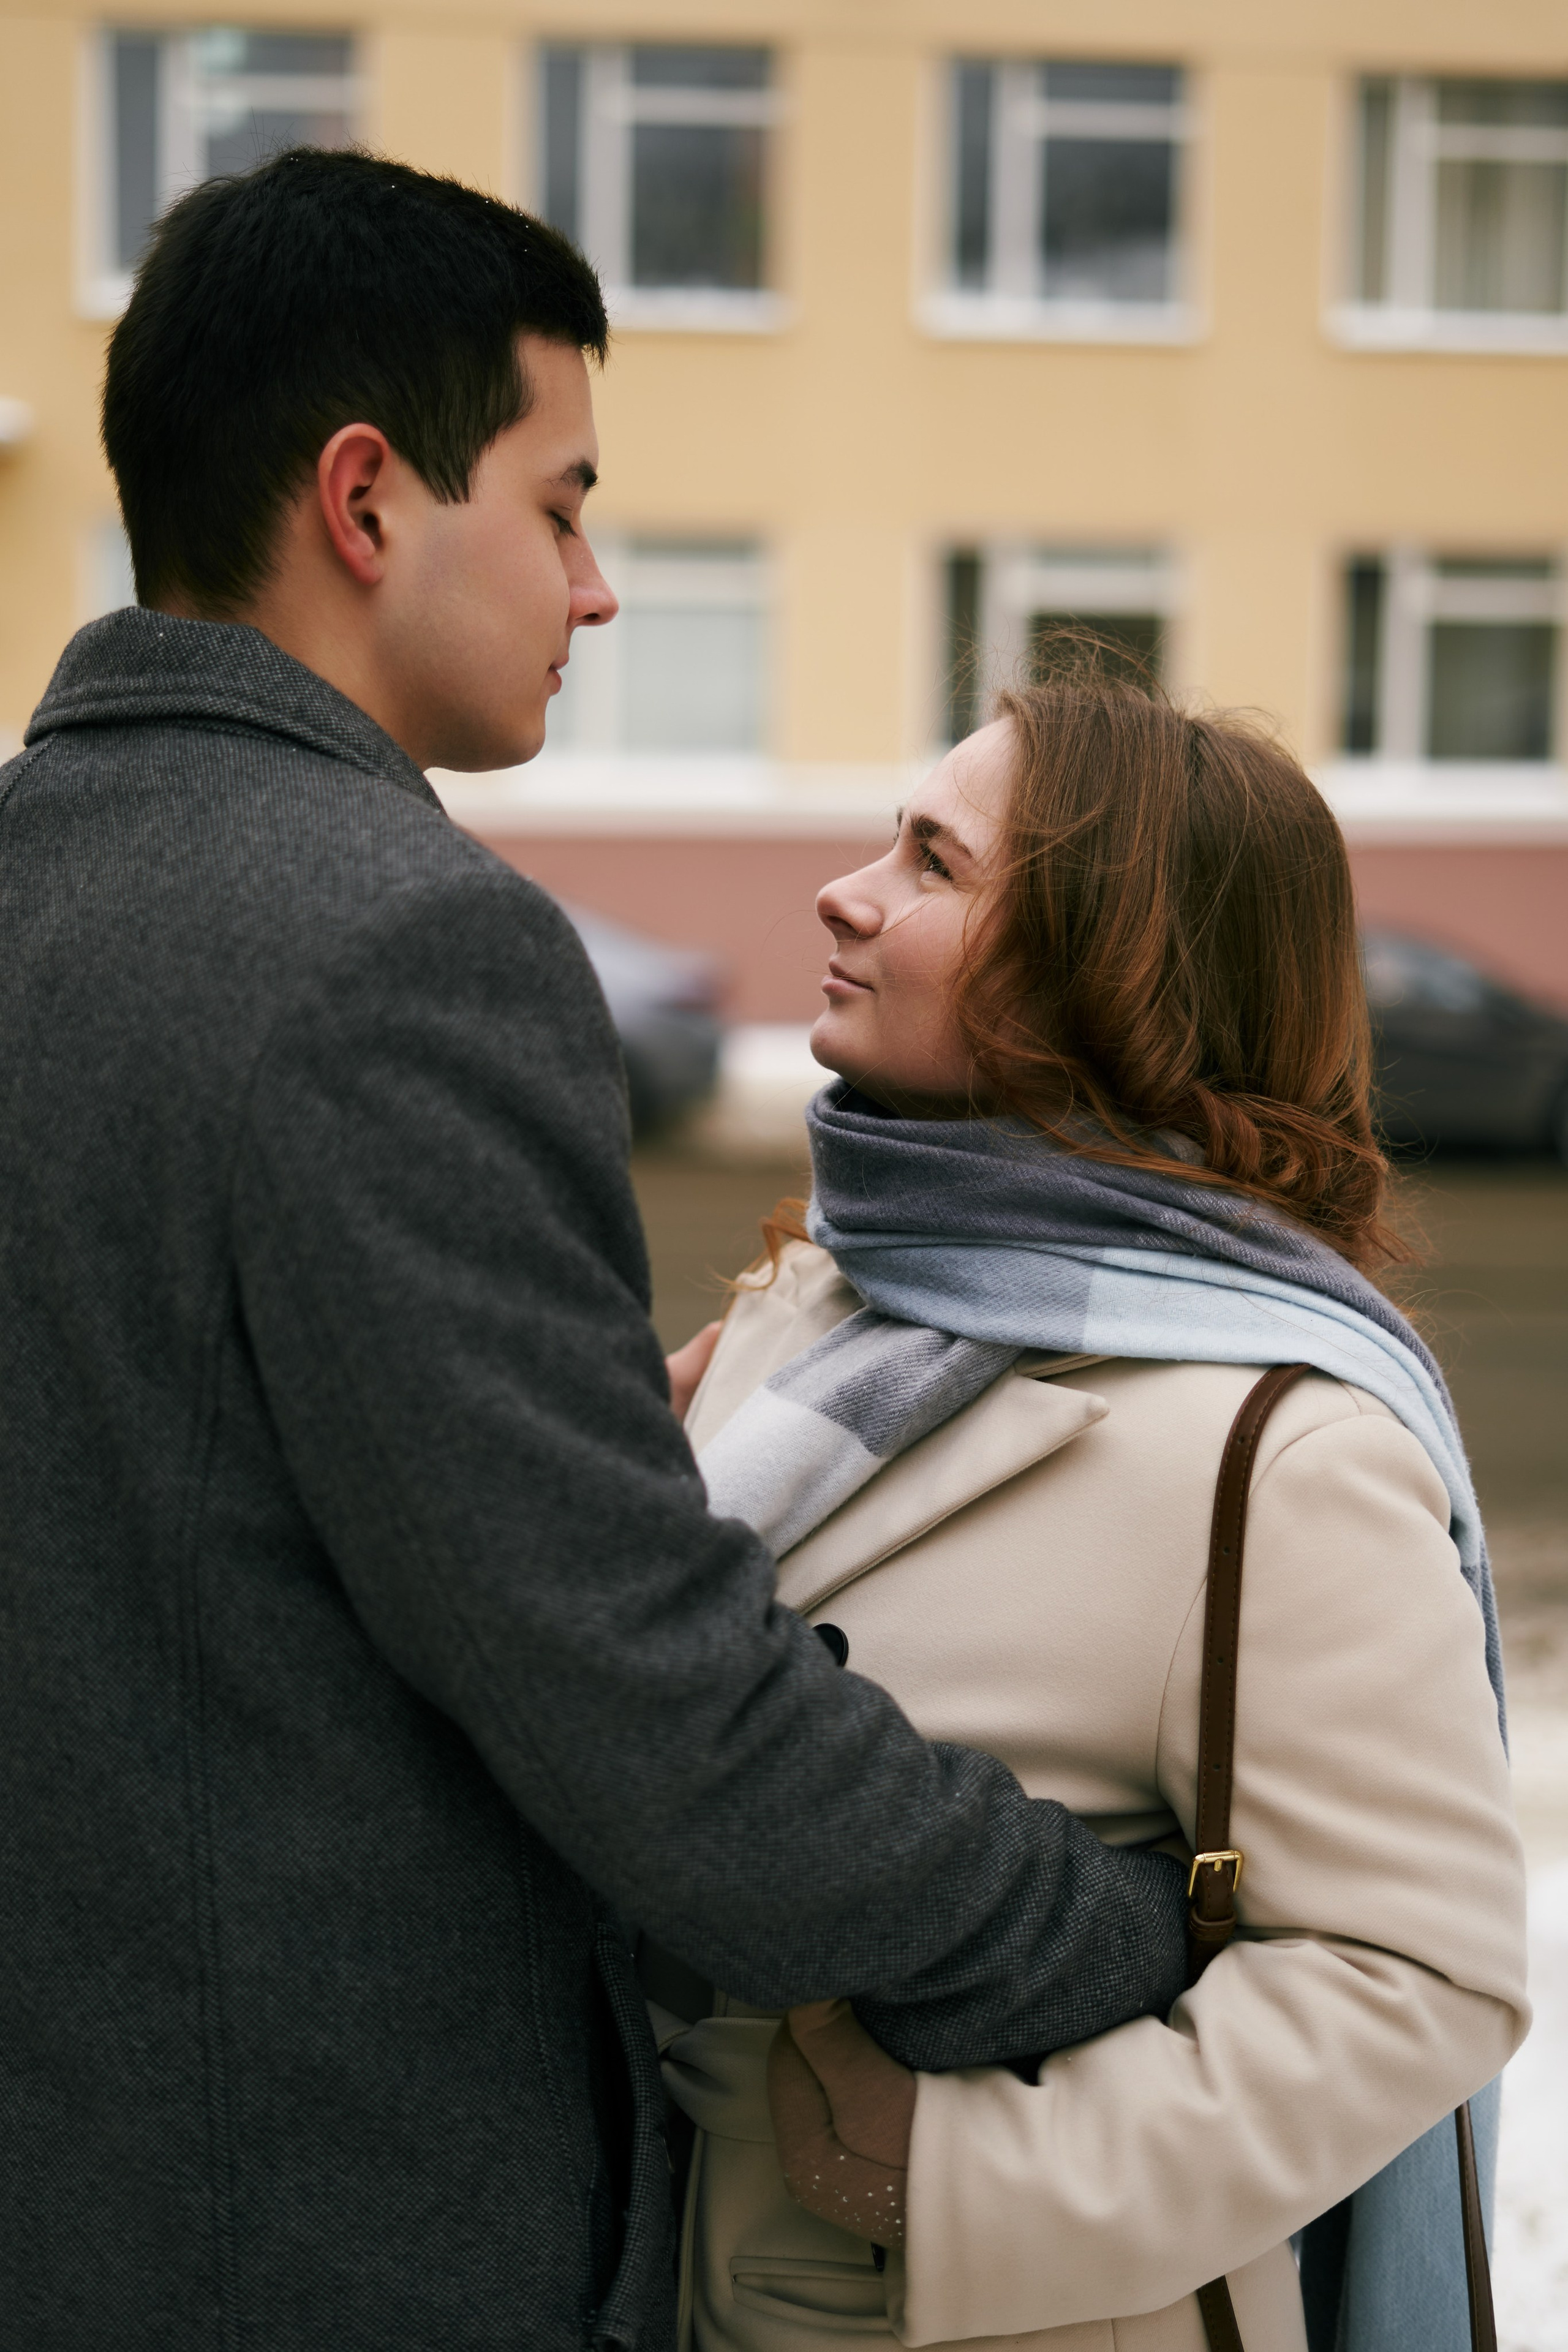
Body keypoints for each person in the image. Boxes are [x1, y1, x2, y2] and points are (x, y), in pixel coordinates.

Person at [0, 156, 1190, 2352]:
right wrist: (1101, 1928)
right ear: (367, 502)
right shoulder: (401, 949)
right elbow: (640, 1695)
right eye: (560, 506)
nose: (600, 584)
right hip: (328, 2244)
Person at [666, 672, 1529, 2352]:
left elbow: (1417, 1979)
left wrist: (957, 2176)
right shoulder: (832, 1285)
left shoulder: (1282, 1445)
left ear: (1108, 974)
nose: (848, 891)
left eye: (932, 860)